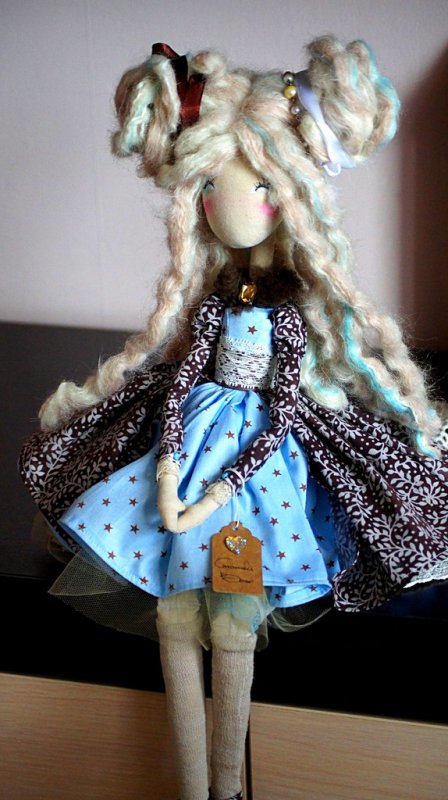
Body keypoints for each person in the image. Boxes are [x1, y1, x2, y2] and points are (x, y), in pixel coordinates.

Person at [20, 36, 448, 800]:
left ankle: (227, 782)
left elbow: (283, 411)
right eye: (214, 184)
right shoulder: (215, 310)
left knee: (233, 623)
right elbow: (182, 380)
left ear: (292, 197)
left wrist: (219, 489)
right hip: (191, 446)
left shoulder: (286, 320)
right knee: (174, 620)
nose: (230, 205)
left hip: (256, 469)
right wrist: (168, 465)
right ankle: (196, 786)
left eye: (258, 186)